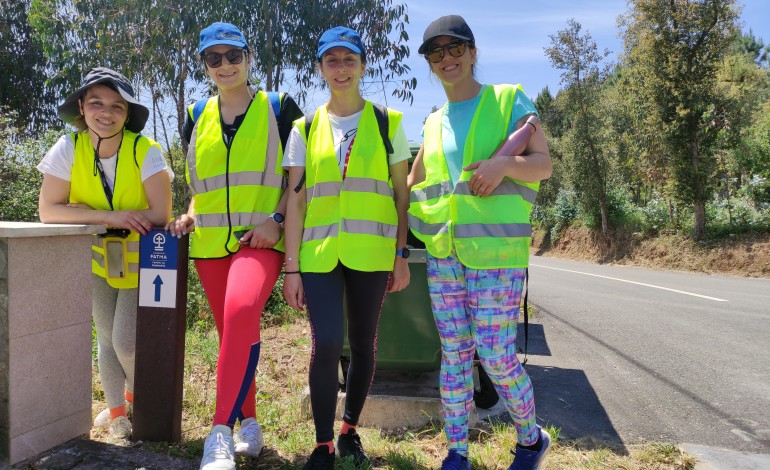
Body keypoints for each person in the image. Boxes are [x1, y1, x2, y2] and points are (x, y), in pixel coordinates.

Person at [407, 15, 553, 470]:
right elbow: (414, 183)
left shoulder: (508, 99)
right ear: (430, 63)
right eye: (436, 53)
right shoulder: (432, 122)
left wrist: (503, 167)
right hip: (445, 254)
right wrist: (415, 216)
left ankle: (531, 440)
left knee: (494, 354)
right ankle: (458, 453)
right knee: (454, 354)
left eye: (455, 49)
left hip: (495, 252)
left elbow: (543, 164)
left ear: (473, 53)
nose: (447, 59)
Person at [165, 22, 303, 470]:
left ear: (248, 57)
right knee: (235, 335)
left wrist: (278, 220)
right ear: (205, 65)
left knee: (242, 312)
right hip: (208, 243)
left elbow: (302, 180)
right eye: (213, 58)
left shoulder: (279, 108)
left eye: (233, 56)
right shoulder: (195, 114)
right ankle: (251, 422)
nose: (224, 65)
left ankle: (219, 432)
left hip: (261, 240)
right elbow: (199, 185)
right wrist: (189, 213)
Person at [282, 26, 411, 470]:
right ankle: (321, 445)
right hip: (319, 255)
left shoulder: (387, 122)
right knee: (327, 343)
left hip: (372, 253)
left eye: (348, 59)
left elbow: (401, 195)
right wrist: (291, 268)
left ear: (362, 65)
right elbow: (295, 200)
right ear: (321, 68)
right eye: (332, 60)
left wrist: (401, 254)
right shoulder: (304, 127)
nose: (341, 68)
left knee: (362, 343)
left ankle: (349, 431)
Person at [37, 67, 173, 442]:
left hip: (144, 263)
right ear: (82, 107)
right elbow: (49, 210)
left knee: (125, 341)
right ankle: (118, 416)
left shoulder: (146, 151)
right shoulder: (68, 148)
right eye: (96, 102)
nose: (106, 112)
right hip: (99, 261)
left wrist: (81, 212)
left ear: (128, 114)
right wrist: (108, 216)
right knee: (105, 339)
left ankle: (140, 396)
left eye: (117, 105)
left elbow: (160, 214)